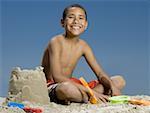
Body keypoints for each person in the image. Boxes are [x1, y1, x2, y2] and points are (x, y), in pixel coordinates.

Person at [41, 4, 125, 105]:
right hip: (55, 85)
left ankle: (85, 97)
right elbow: (57, 77)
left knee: (119, 81)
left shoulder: (83, 46)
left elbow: (100, 73)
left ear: (85, 25)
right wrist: (92, 92)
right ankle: (90, 96)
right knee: (66, 89)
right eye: (71, 17)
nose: (76, 21)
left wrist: (112, 87)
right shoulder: (55, 42)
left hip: (74, 84)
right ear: (62, 22)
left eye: (80, 18)